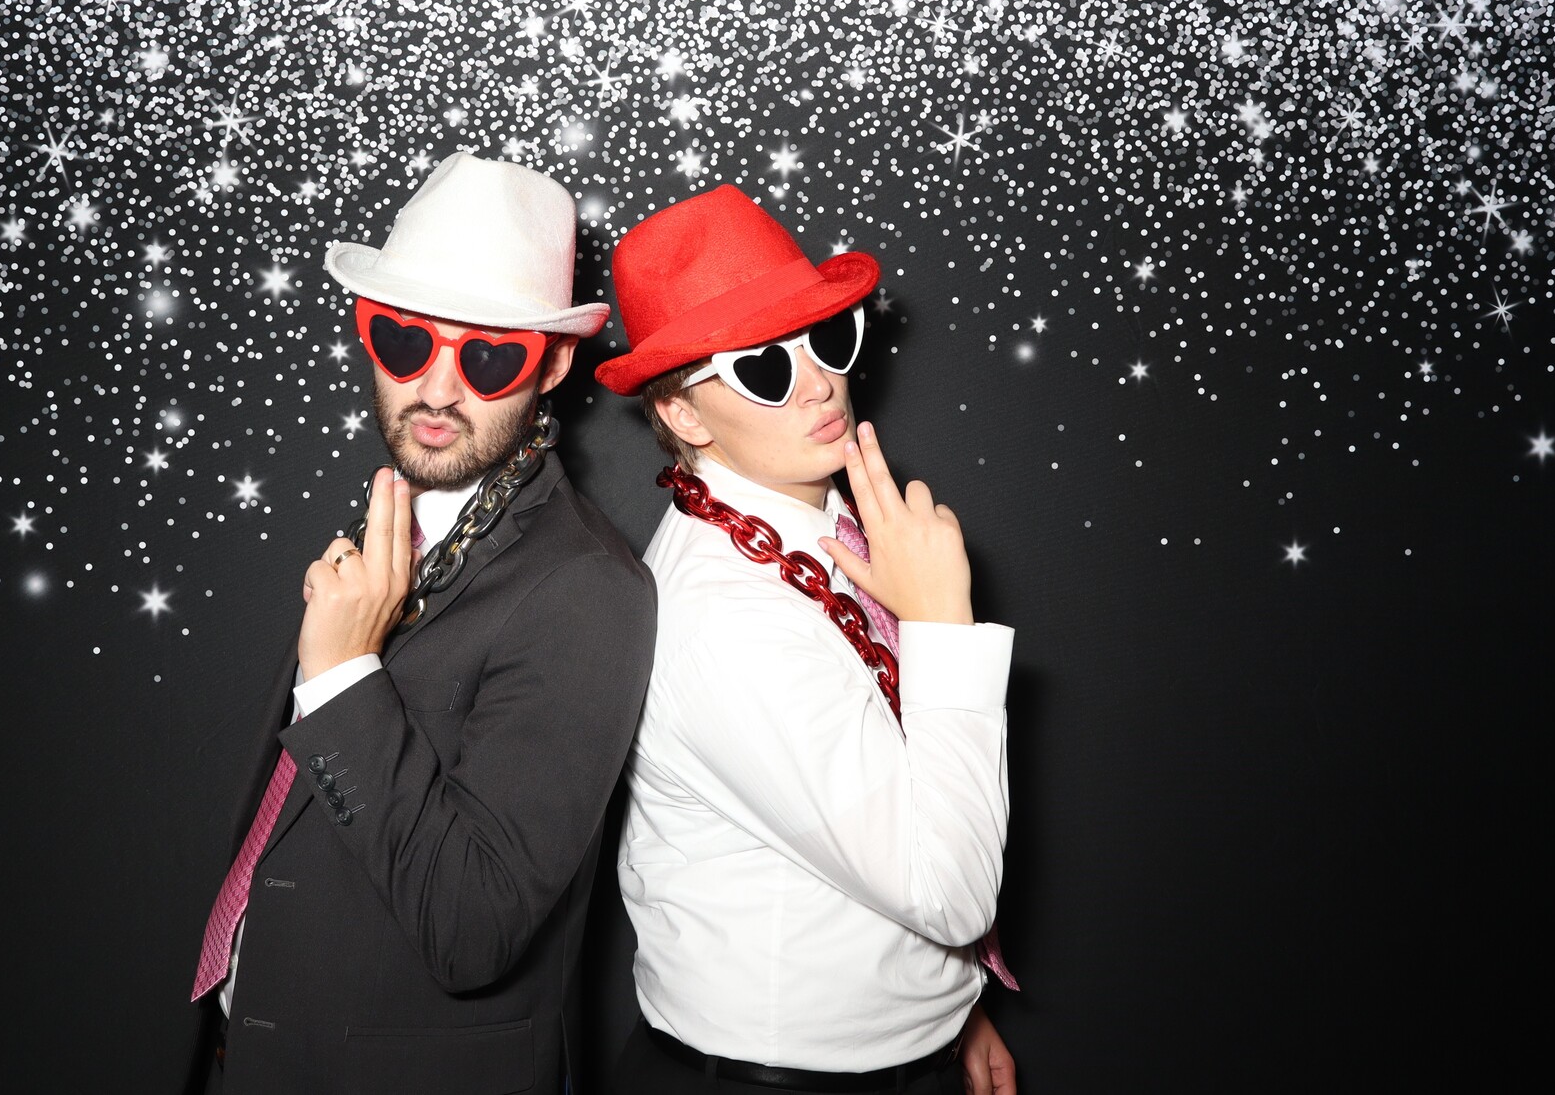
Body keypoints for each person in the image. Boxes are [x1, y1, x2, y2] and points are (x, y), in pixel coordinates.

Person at [187, 152, 655, 1095]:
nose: (437, 390)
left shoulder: (589, 587)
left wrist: (341, 677)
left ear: (555, 362)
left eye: (488, 355)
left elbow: (475, 925)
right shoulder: (397, 512)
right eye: (406, 341)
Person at [594, 184, 1019, 1095]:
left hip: (892, 1051)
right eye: (763, 366)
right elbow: (945, 890)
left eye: (825, 338)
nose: (820, 381)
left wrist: (949, 1003)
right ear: (685, 415)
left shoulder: (828, 525)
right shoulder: (727, 619)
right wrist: (943, 622)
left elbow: (890, 811)